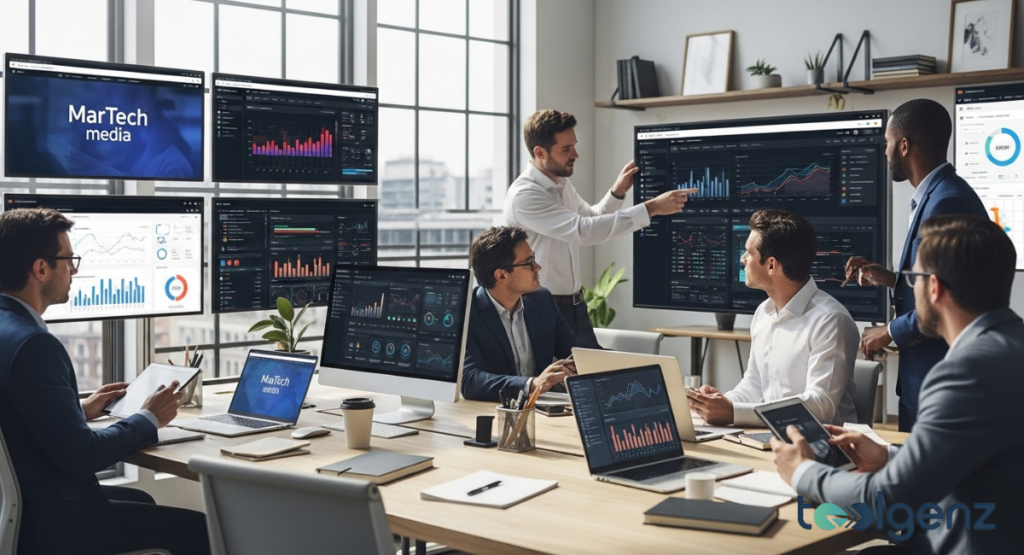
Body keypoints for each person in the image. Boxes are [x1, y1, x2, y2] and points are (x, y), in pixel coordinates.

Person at [773, 214, 1024, 554]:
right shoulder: (1012, 343)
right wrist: (890, 456)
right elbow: (979, 454)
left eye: (912, 278)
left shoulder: (966, 372)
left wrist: (802, 473)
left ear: (934, 287)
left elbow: (887, 501)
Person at [0, 208, 210, 555]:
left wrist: (78, 411)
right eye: (69, 260)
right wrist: (148, 418)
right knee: (203, 529)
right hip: (52, 527)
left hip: (23, 503)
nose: (74, 271)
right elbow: (83, 456)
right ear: (40, 269)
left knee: (140, 498)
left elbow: (15, 420)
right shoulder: (33, 345)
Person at [843, 99, 986, 431]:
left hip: (938, 381)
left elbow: (948, 301)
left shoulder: (946, 201)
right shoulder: (936, 194)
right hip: (923, 380)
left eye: (887, 144)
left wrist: (888, 331)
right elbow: (941, 280)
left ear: (904, 145)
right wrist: (892, 280)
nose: (885, 152)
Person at [504, 109, 694, 348]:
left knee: (592, 376)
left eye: (574, 145)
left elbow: (591, 217)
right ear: (540, 152)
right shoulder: (525, 195)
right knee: (560, 382)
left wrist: (617, 191)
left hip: (574, 306)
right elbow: (583, 231)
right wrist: (651, 208)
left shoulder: (562, 183)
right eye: (566, 149)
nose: (576, 154)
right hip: (540, 306)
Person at [687, 210, 858, 427]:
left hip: (822, 449)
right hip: (770, 438)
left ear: (771, 265)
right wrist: (721, 403)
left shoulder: (830, 320)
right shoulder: (763, 313)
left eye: (748, 252)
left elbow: (821, 405)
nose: (743, 259)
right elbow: (755, 384)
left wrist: (733, 413)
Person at [461, 226, 577, 401]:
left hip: (543, 409)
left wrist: (580, 365)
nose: (537, 267)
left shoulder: (542, 300)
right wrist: (532, 385)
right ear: (501, 276)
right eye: (529, 262)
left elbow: (573, 351)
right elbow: (470, 381)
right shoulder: (467, 312)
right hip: (494, 413)